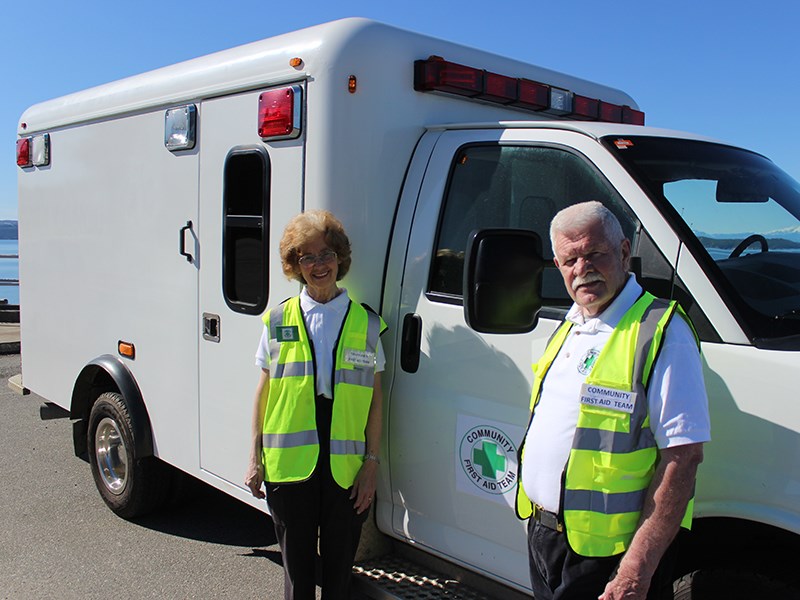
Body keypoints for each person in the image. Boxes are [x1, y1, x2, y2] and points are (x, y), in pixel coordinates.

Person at [516, 201, 710, 600]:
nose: (582, 268)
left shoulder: (660, 331)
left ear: (624, 252)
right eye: (570, 259)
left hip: (611, 557)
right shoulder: (571, 324)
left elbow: (684, 457)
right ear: (557, 265)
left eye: (594, 254)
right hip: (547, 538)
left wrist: (635, 570)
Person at [244, 210, 386, 600]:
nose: (318, 265)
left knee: (339, 570)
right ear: (295, 265)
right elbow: (264, 391)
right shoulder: (277, 321)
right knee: (298, 569)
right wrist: (254, 458)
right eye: (307, 257)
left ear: (339, 258)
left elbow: (375, 403)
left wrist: (372, 465)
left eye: (326, 254)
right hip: (289, 462)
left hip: (345, 465)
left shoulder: (368, 325)